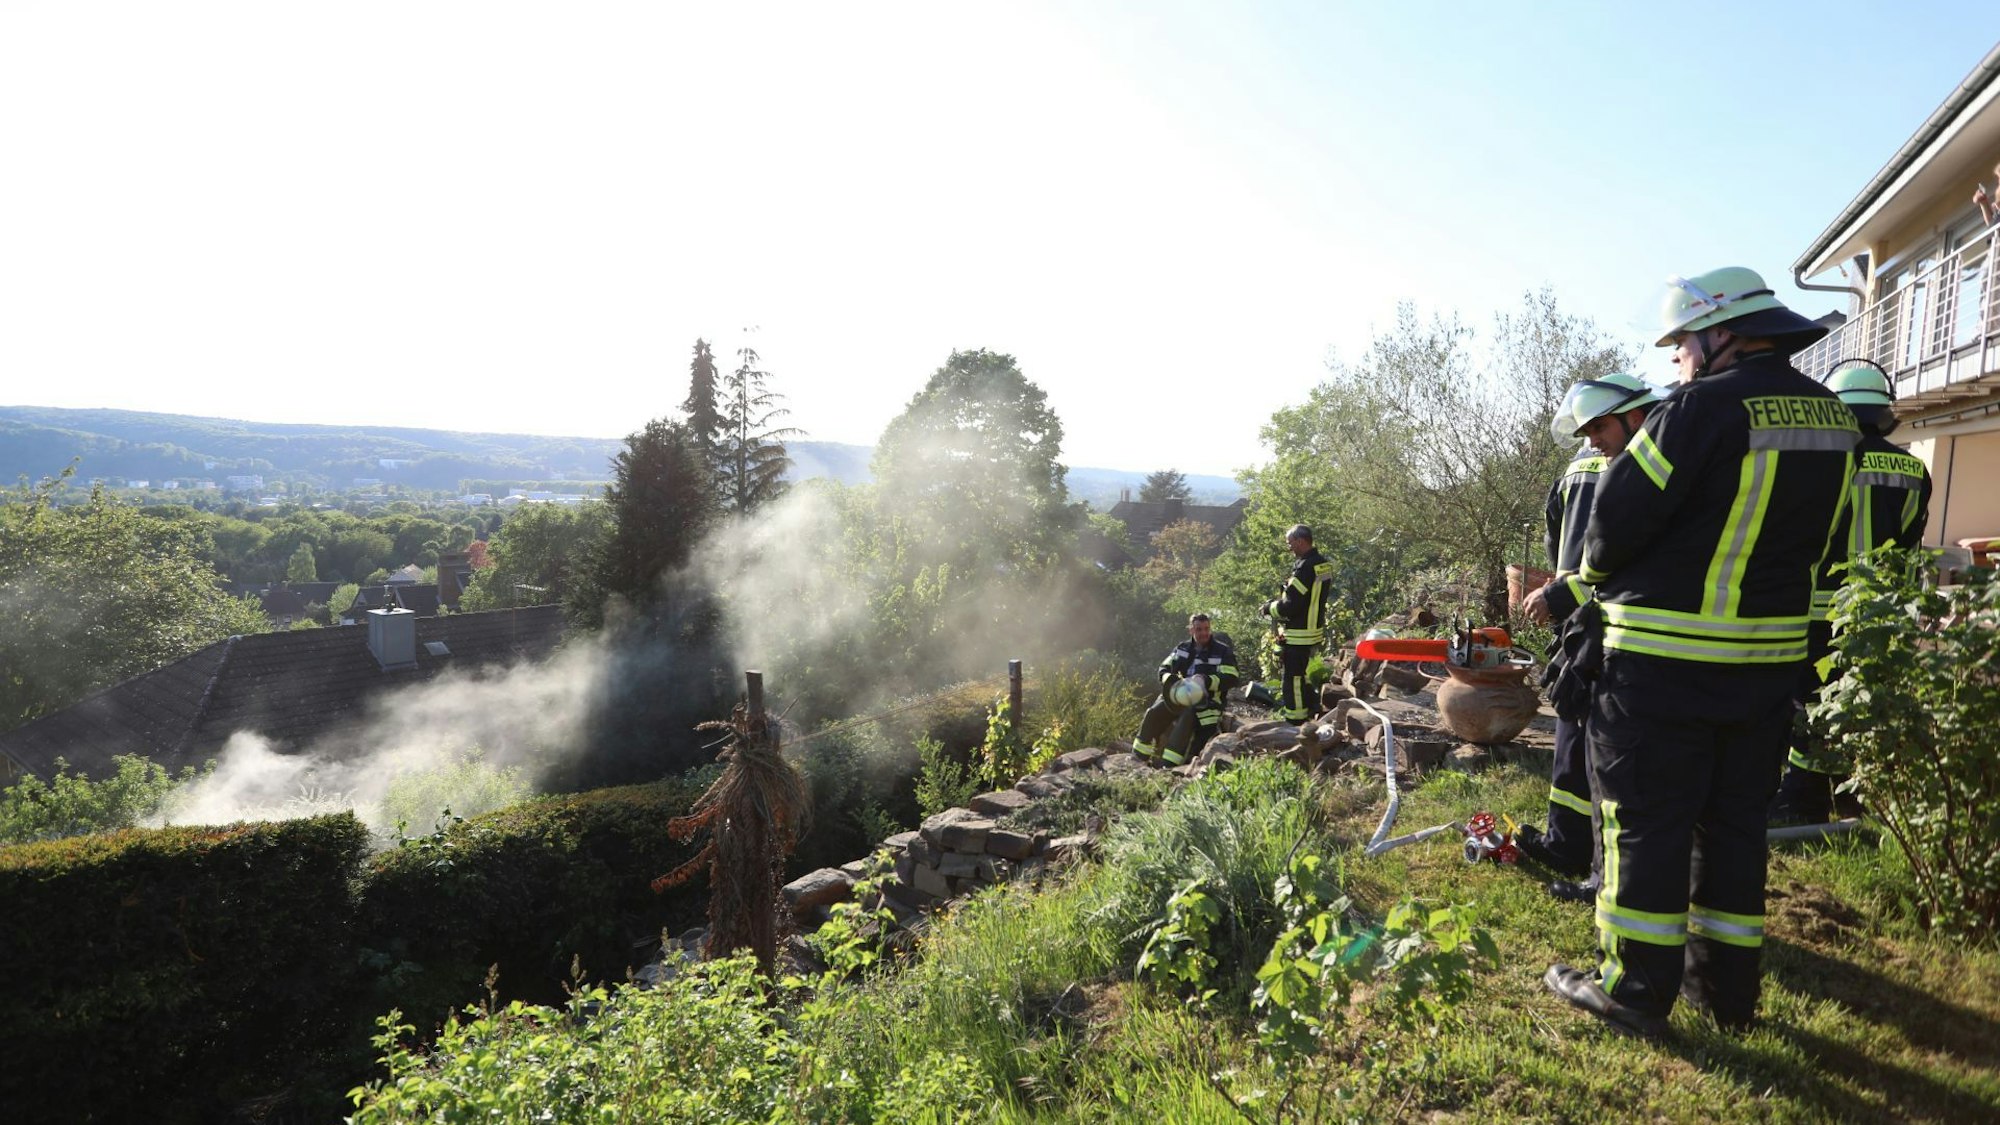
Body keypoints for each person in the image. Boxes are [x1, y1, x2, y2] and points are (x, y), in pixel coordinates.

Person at [1543, 267, 1859, 1039]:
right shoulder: (1836, 420)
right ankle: (1726, 993)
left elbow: (1610, 529)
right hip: (1765, 669)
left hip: (1660, 665)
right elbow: (1825, 547)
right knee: (1733, 827)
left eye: (1684, 340)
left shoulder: (1696, 409)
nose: (1679, 358)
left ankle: (1634, 990)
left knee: (1647, 824)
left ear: (1725, 332)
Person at [1517, 372, 1661, 902]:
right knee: (1584, 735)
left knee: (1587, 737)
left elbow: (1565, 538)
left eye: (1598, 427)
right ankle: (1577, 849)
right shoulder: (1643, 460)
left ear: (1630, 415)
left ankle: (1577, 848)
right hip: (1606, 615)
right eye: (1589, 430)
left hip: (1592, 617)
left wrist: (1562, 593)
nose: (1592, 440)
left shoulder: (1589, 468)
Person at [1769, 359, 1932, 825]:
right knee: (1854, 706)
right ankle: (1846, 795)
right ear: (1884, 413)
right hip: (1879, 614)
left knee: (1809, 705)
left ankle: (1801, 800)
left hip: (1817, 609)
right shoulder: (1914, 470)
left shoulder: (1824, 460)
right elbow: (1908, 541)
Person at [1133, 613, 1240, 765]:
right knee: (1154, 712)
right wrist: (1170, 680)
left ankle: (1169, 765)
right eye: (1199, 629)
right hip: (1180, 696)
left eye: (1206, 629)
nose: (1204, 633)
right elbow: (1164, 668)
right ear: (1191, 630)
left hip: (1208, 702)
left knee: (1187, 717)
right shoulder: (1182, 648)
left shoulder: (1222, 651)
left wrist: (1205, 680)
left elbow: (1232, 678)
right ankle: (1138, 757)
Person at [1260, 524, 1334, 723]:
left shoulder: (1304, 568)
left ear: (1301, 541)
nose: (1289, 547)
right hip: (1314, 630)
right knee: (1302, 675)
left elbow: (1290, 606)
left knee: (1292, 679)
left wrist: (1269, 608)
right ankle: (1312, 707)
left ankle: (1296, 721)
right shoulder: (1323, 564)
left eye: (1290, 543)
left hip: (1299, 633)